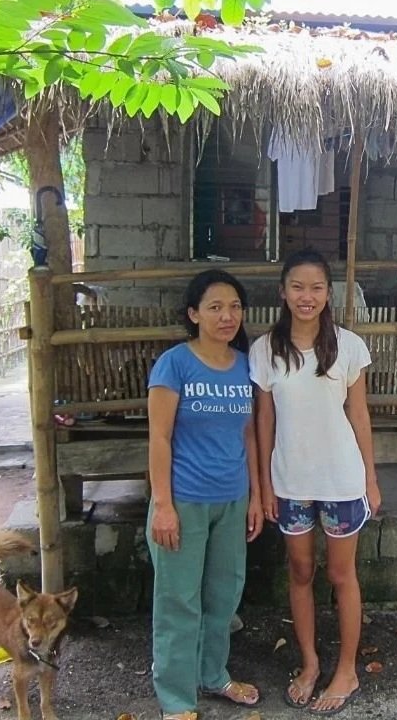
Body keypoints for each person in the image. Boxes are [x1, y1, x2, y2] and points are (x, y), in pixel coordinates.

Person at [250, 249, 381, 716]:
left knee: (340, 574)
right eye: (298, 287)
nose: (307, 297)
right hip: (290, 481)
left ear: (329, 294)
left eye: (317, 288)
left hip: (342, 480)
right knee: (300, 572)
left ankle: (346, 669)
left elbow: (359, 414)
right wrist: (264, 486)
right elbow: (264, 421)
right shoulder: (265, 350)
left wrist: (370, 477)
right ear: (283, 292)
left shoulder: (348, 347)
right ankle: (309, 662)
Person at [146, 269, 263, 720]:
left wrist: (253, 496)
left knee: (222, 597)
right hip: (184, 501)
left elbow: (249, 435)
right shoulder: (174, 363)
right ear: (194, 314)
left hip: (231, 501)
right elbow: (159, 438)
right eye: (215, 307)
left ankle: (213, 675)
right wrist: (163, 506)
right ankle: (176, 698)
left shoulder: (243, 364)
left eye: (234, 306)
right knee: (178, 601)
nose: (227, 316)